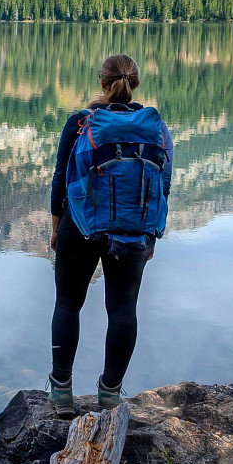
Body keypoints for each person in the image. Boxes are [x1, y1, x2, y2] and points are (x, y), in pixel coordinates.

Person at [47, 53, 172, 418]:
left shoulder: (81, 122)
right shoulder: (155, 126)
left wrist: (57, 229)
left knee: (69, 304)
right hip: (135, 229)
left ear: (102, 82)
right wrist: (152, 234)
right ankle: (110, 395)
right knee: (122, 309)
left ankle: (61, 394)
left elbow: (61, 180)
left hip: (82, 226)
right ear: (135, 83)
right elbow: (163, 182)